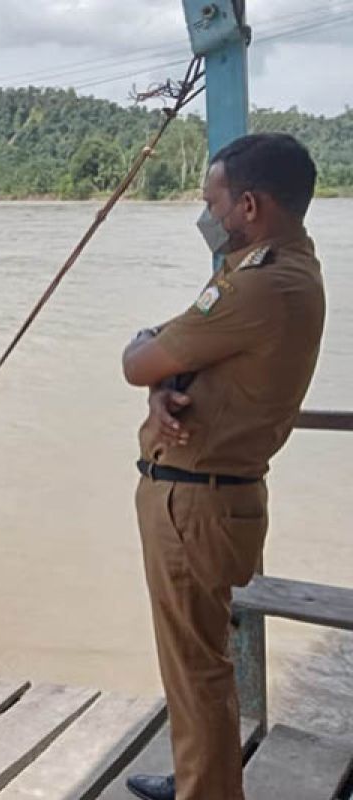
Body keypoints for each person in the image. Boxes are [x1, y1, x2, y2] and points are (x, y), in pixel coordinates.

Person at [120, 133, 324, 800]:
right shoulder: (284, 268)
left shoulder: (259, 285)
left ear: (250, 205)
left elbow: (137, 359)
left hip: (195, 503)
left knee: (196, 667)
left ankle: (205, 790)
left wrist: (150, 364)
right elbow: (173, 360)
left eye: (213, 201)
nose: (207, 214)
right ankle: (198, 778)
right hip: (215, 495)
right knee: (195, 662)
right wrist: (164, 381)